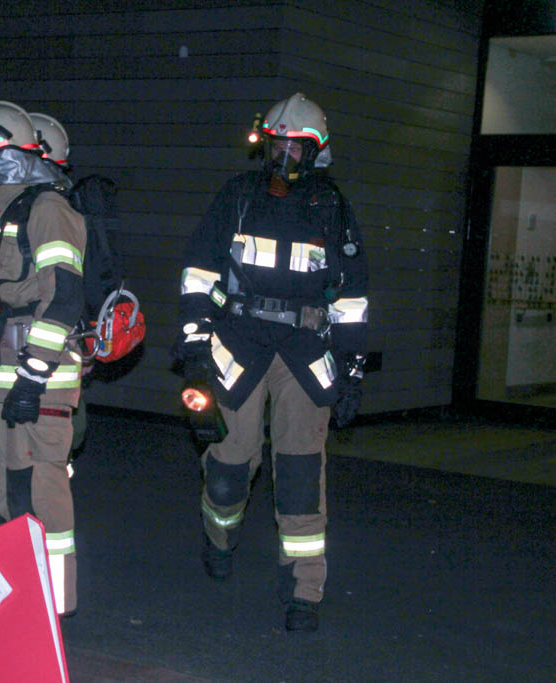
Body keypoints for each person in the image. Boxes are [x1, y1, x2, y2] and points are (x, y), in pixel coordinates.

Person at [177, 93, 368, 632]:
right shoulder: (237, 196)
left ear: (315, 151)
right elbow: (198, 273)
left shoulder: (332, 207)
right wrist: (195, 348)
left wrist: (351, 369)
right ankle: (220, 534)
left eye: (295, 147)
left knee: (302, 472)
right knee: (228, 468)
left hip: (303, 351)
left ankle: (303, 589)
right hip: (238, 342)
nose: (283, 155)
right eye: (276, 144)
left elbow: (352, 297)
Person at [0, 100, 86, 615]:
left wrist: (32, 375)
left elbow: (64, 298)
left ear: (3, 155)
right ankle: (5, 604)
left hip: (38, 379)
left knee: (39, 497)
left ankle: (52, 609)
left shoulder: (48, 209)